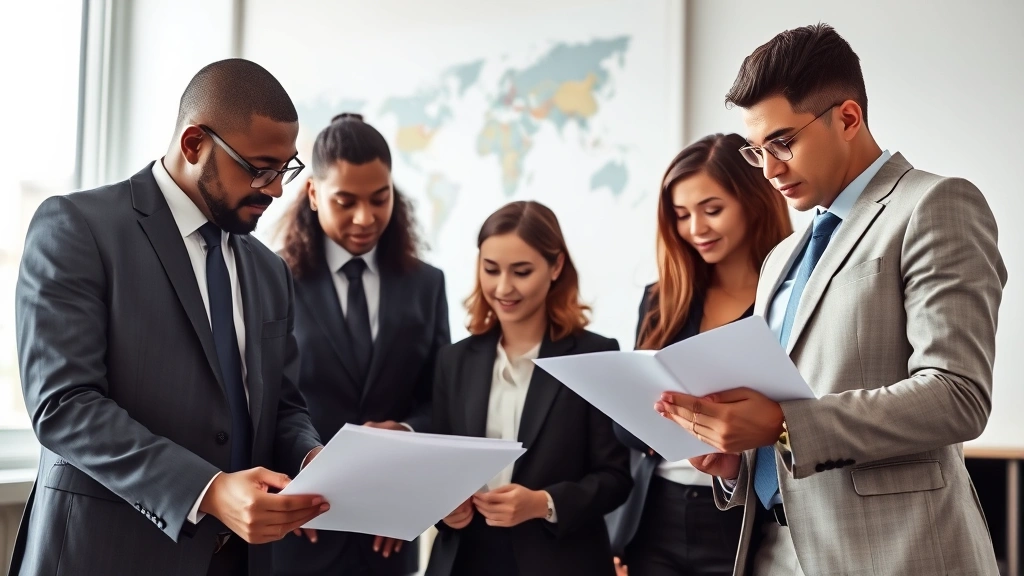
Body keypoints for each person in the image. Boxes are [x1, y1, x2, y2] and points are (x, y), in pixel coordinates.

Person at [654, 24, 1006, 575]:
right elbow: (788, 407)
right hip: (775, 551)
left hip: (896, 554)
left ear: (847, 118)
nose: (769, 170)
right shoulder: (782, 257)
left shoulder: (933, 205)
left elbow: (956, 394)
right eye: (755, 150)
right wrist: (737, 462)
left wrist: (783, 425)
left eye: (783, 143)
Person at [10, 59, 328, 576]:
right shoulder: (78, 227)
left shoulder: (269, 271)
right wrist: (206, 491)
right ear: (193, 144)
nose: (275, 189)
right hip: (106, 557)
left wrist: (313, 459)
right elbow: (63, 405)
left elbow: (282, 406)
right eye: (259, 168)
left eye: (285, 169)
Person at [272, 113, 450, 576]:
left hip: (388, 532)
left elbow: (442, 400)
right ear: (312, 193)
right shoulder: (271, 281)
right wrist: (284, 486)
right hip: (298, 526)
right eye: (345, 201)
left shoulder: (426, 285)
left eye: (380, 198)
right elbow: (255, 399)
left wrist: (407, 436)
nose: (365, 218)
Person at [608, 133, 791, 576]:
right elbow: (627, 427)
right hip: (657, 514)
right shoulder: (663, 298)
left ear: (754, 199)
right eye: (682, 215)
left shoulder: (787, 300)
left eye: (712, 210)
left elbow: (797, 413)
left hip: (746, 515)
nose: (696, 229)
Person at [425, 201, 632, 576]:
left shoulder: (595, 355)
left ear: (556, 268)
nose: (503, 287)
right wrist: (445, 510)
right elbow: (439, 471)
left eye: (521, 272)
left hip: (560, 560)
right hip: (465, 561)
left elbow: (616, 477)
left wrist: (543, 502)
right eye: (491, 270)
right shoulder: (452, 362)